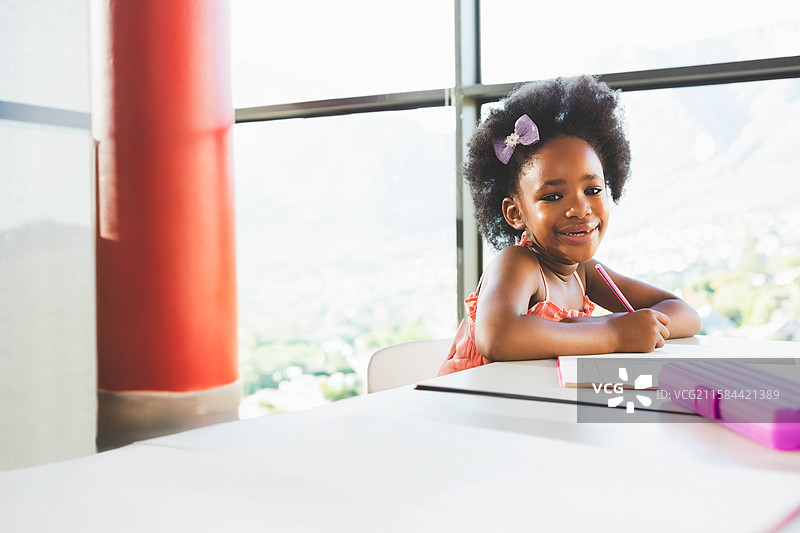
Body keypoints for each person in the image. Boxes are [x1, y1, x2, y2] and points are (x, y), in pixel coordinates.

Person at [438, 75, 701, 376]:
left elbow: (687, 315)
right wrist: (614, 333)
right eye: (552, 196)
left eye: (592, 190)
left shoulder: (586, 274)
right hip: (472, 413)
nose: (580, 209)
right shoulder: (519, 264)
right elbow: (498, 336)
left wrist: (629, 326)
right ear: (515, 214)